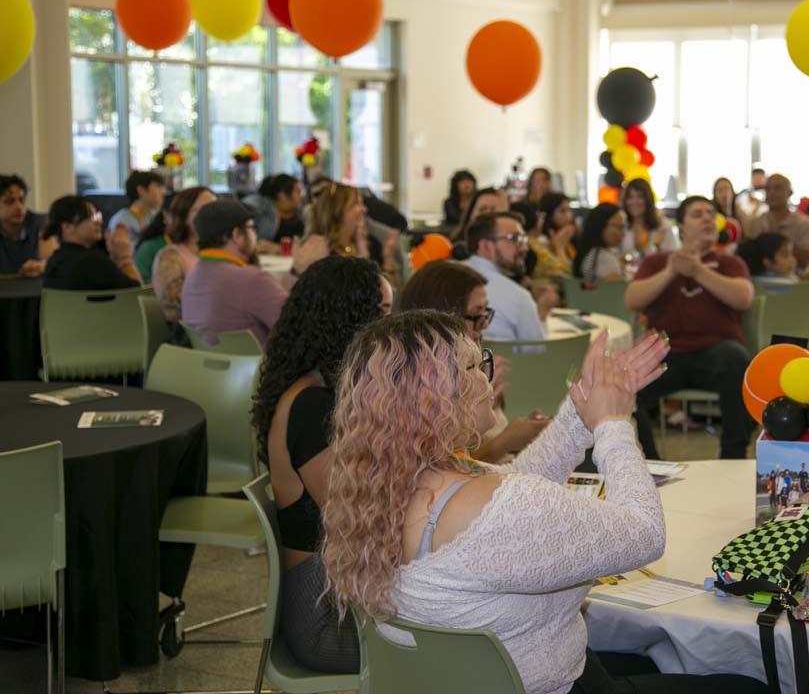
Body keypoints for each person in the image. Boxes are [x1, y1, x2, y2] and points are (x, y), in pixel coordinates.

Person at [321, 310, 764, 694]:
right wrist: (613, 424)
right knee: (745, 684)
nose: (488, 377)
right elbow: (645, 534)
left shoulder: (389, 487)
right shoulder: (494, 508)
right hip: (546, 684)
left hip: (479, 680)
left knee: (656, 659)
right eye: (475, 365)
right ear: (435, 399)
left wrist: (579, 410)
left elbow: (509, 492)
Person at [249, 255, 392, 674]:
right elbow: (361, 516)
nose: (392, 323)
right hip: (324, 620)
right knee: (490, 645)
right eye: (381, 312)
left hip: (349, 599)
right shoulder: (311, 406)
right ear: (348, 318)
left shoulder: (329, 388)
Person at [626, 196, 756, 460]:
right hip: (666, 355)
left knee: (737, 360)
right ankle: (648, 463)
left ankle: (733, 457)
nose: (708, 218)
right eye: (698, 214)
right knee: (624, 380)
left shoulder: (729, 263)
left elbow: (743, 298)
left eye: (711, 213)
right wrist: (671, 271)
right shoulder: (658, 262)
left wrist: (697, 270)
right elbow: (632, 300)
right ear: (681, 227)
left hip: (716, 355)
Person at [399, 259, 554, 462]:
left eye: (485, 313)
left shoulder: (469, 366)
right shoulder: (417, 389)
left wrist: (521, 433)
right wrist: (506, 440)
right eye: (475, 315)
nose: (484, 326)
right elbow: (443, 476)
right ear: (440, 320)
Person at [181, 200, 324, 346]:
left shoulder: (192, 277)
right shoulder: (249, 279)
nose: (256, 235)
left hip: (213, 367)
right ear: (237, 235)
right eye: (252, 228)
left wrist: (296, 271)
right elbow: (300, 326)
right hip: (259, 367)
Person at [465, 212, 552, 341]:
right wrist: (542, 312)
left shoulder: (443, 277)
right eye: (515, 239)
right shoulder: (518, 297)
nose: (525, 247)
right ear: (486, 246)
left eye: (524, 239)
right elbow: (537, 351)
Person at [309, 182, 400, 284]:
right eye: (356, 204)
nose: (364, 209)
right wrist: (363, 254)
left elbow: (394, 295)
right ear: (338, 212)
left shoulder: (372, 244)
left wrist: (389, 259)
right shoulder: (320, 251)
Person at [43, 196, 142, 290]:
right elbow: (137, 295)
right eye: (91, 216)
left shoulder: (54, 261)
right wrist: (124, 256)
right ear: (67, 227)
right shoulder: (93, 261)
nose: (98, 222)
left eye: (97, 216)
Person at [149, 187, 216, 325]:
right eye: (203, 209)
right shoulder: (170, 257)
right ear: (184, 216)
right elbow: (172, 312)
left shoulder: (222, 251)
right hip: (191, 334)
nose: (213, 215)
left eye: (216, 208)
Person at [743, 174, 809, 277]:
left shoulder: (805, 224)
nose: (771, 193)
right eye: (768, 189)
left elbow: (806, 261)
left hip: (796, 284)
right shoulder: (753, 223)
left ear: (790, 193)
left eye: (777, 188)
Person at [0, 174, 53, 276]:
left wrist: (40, 266)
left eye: (21, 200)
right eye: (9, 201)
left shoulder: (40, 223)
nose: (19, 207)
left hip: (36, 289)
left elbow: (50, 262)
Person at [620, 178, 678, 260]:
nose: (634, 202)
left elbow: (672, 257)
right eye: (630, 197)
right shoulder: (621, 225)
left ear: (648, 199)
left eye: (640, 197)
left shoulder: (662, 225)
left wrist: (657, 247)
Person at [574, 204, 627, 285]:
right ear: (601, 225)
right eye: (620, 227)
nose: (624, 233)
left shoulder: (588, 252)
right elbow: (618, 292)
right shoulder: (605, 259)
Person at [108, 170, 165, 245]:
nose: (163, 192)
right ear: (141, 190)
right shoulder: (121, 221)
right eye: (158, 187)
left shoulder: (157, 218)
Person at [531, 193, 576, 280]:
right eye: (562, 211)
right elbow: (565, 274)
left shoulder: (570, 235)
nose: (568, 215)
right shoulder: (542, 240)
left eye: (569, 210)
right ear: (549, 214)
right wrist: (559, 247)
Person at [259, 174, 306, 244]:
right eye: (298, 192)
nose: (302, 197)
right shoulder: (262, 219)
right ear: (282, 195)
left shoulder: (302, 219)